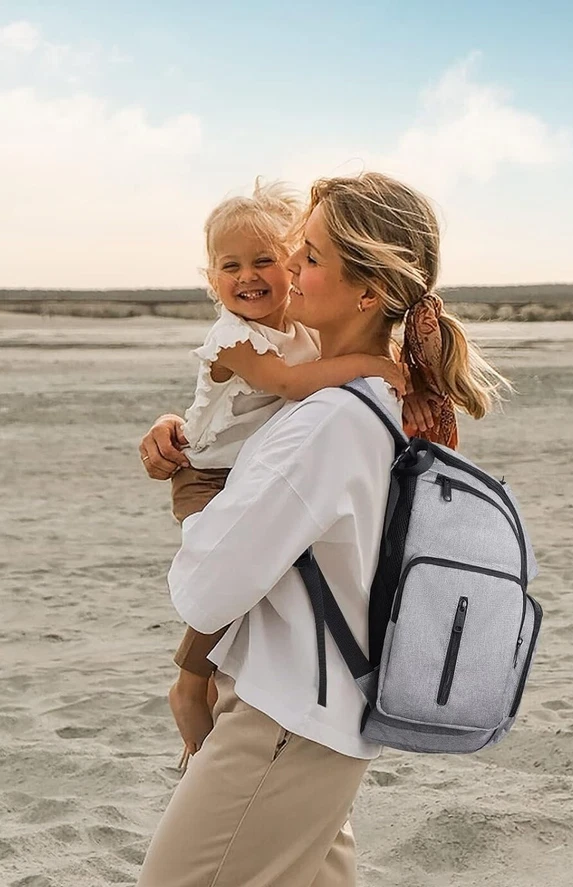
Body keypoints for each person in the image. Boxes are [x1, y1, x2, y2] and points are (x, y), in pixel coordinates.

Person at [116, 172, 509, 887]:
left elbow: (209, 582)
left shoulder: (330, 416)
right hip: (324, 718)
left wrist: (204, 513)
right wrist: (186, 433)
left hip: (280, 718)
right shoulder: (372, 403)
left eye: (311, 255)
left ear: (367, 291)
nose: (288, 269)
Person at [163, 179, 407, 769]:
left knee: (242, 571)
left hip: (239, 472)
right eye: (231, 266)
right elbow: (291, 387)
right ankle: (190, 680)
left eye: (271, 259)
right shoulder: (236, 338)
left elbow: (304, 388)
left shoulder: (301, 342)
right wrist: (380, 363)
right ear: (211, 279)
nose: (252, 276)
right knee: (228, 569)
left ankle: (199, 681)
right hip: (207, 475)